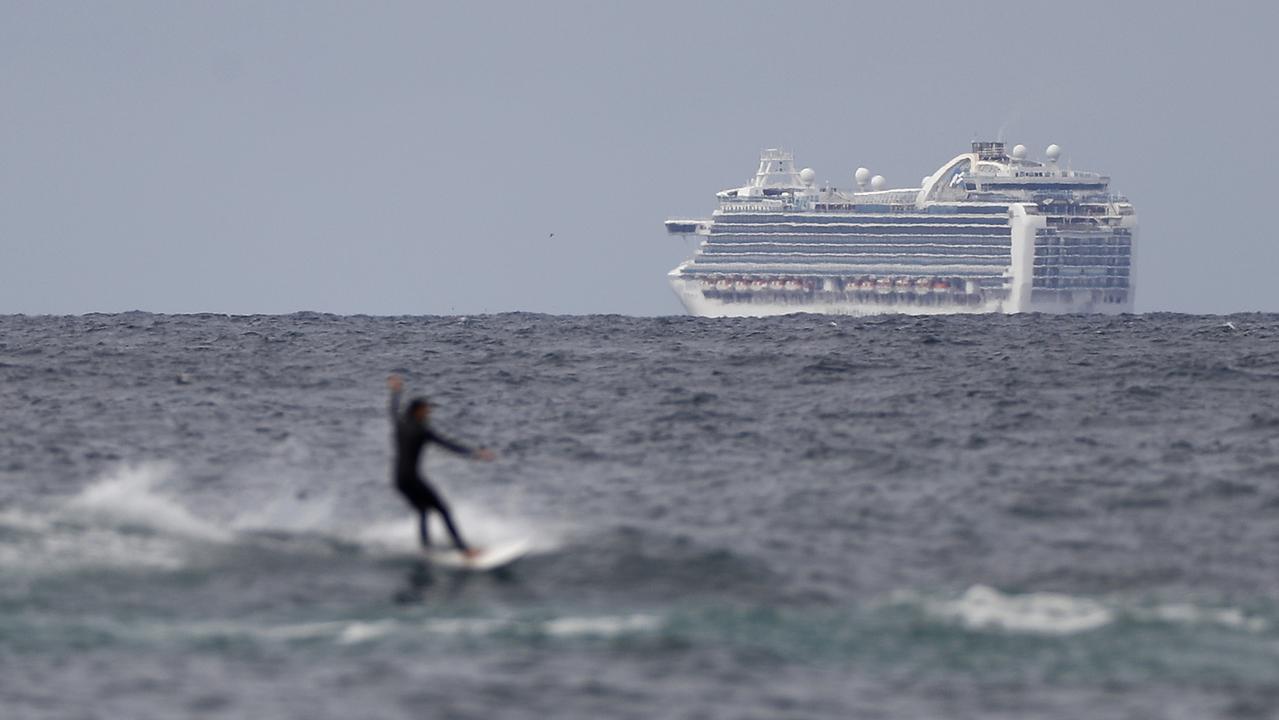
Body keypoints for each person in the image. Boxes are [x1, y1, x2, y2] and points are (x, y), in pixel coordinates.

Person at [387, 374, 495, 558]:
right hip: (412, 479)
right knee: (443, 510)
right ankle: (464, 550)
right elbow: (447, 445)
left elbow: (392, 409)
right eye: (426, 410)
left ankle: (425, 547)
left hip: (398, 479)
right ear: (417, 411)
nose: (428, 413)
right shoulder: (421, 430)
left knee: (423, 510)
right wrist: (474, 453)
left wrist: (396, 391)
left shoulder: (400, 423)